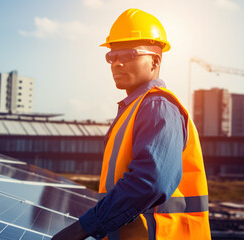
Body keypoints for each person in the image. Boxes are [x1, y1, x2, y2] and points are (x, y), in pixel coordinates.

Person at [52, 8, 211, 240]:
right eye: (111, 57)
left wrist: (81, 229)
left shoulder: (158, 106)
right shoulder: (135, 108)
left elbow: (148, 183)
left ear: (155, 60)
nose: (116, 64)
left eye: (127, 55)